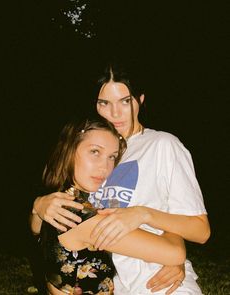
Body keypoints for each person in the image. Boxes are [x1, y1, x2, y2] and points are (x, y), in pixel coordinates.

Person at [31, 58, 210, 294]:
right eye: (104, 103)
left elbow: (200, 230)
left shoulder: (162, 145)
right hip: (115, 284)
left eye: (125, 101)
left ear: (140, 100)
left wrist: (143, 215)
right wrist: (38, 205)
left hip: (161, 282)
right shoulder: (97, 150)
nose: (115, 113)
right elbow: (45, 229)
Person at [30, 117, 186, 295]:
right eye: (95, 152)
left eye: (112, 157)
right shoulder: (80, 217)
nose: (105, 166)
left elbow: (35, 229)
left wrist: (36, 206)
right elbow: (175, 253)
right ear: (69, 151)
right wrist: (166, 215)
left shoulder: (56, 203)